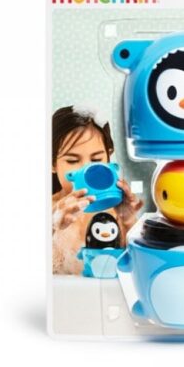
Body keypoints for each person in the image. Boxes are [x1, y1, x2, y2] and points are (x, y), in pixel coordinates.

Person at [52, 106, 143, 275]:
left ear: (108, 158)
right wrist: (52, 224)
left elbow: (136, 267)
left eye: (96, 159)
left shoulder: (115, 213)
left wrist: (129, 221)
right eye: (72, 161)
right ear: (52, 164)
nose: (88, 170)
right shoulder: (48, 211)